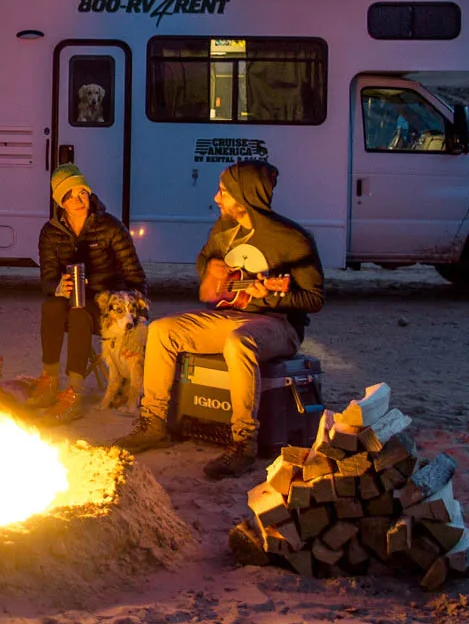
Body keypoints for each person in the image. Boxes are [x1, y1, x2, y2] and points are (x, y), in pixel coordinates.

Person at [112, 160, 325, 480]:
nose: (216, 197)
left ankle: (243, 443)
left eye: (223, 192)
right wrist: (214, 274)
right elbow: (206, 269)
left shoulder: (293, 239)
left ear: (244, 196)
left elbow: (314, 299)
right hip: (228, 315)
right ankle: (153, 423)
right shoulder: (225, 230)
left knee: (238, 344)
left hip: (277, 324)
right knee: (162, 331)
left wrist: (271, 296)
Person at [34, 163, 146, 422]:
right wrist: (59, 286)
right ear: (60, 201)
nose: (78, 199)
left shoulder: (109, 227)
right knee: (51, 306)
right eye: (70, 195)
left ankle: (74, 392)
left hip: (107, 306)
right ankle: (49, 381)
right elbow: (46, 280)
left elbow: (136, 276)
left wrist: (138, 315)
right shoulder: (51, 232)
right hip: (71, 298)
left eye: (82, 192)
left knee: (79, 315)